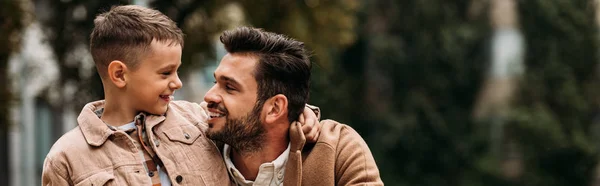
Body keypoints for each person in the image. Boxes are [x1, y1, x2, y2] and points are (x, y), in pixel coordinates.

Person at [42, 5, 320, 185]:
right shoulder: (66, 158)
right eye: (165, 73)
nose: (176, 83)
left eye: (177, 71)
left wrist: (302, 112)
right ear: (119, 74)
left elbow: (255, 115)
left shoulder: (199, 121)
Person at [204, 26, 383, 186]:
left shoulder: (337, 151)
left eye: (229, 87)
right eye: (215, 82)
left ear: (275, 108)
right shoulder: (193, 142)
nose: (209, 96)